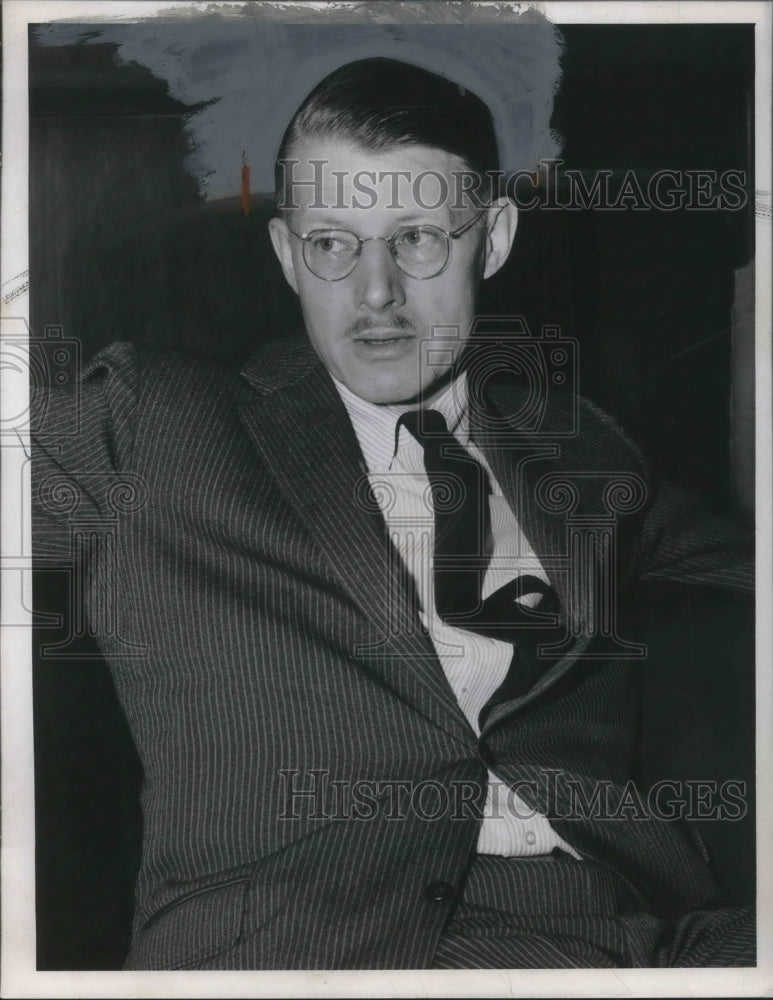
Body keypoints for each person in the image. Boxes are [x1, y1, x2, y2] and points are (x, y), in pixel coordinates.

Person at [32, 57, 755, 970]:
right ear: (289, 255)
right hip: (305, 954)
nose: (374, 292)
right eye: (333, 244)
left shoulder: (581, 454)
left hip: (639, 943)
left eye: (416, 238)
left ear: (491, 239)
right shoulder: (154, 426)